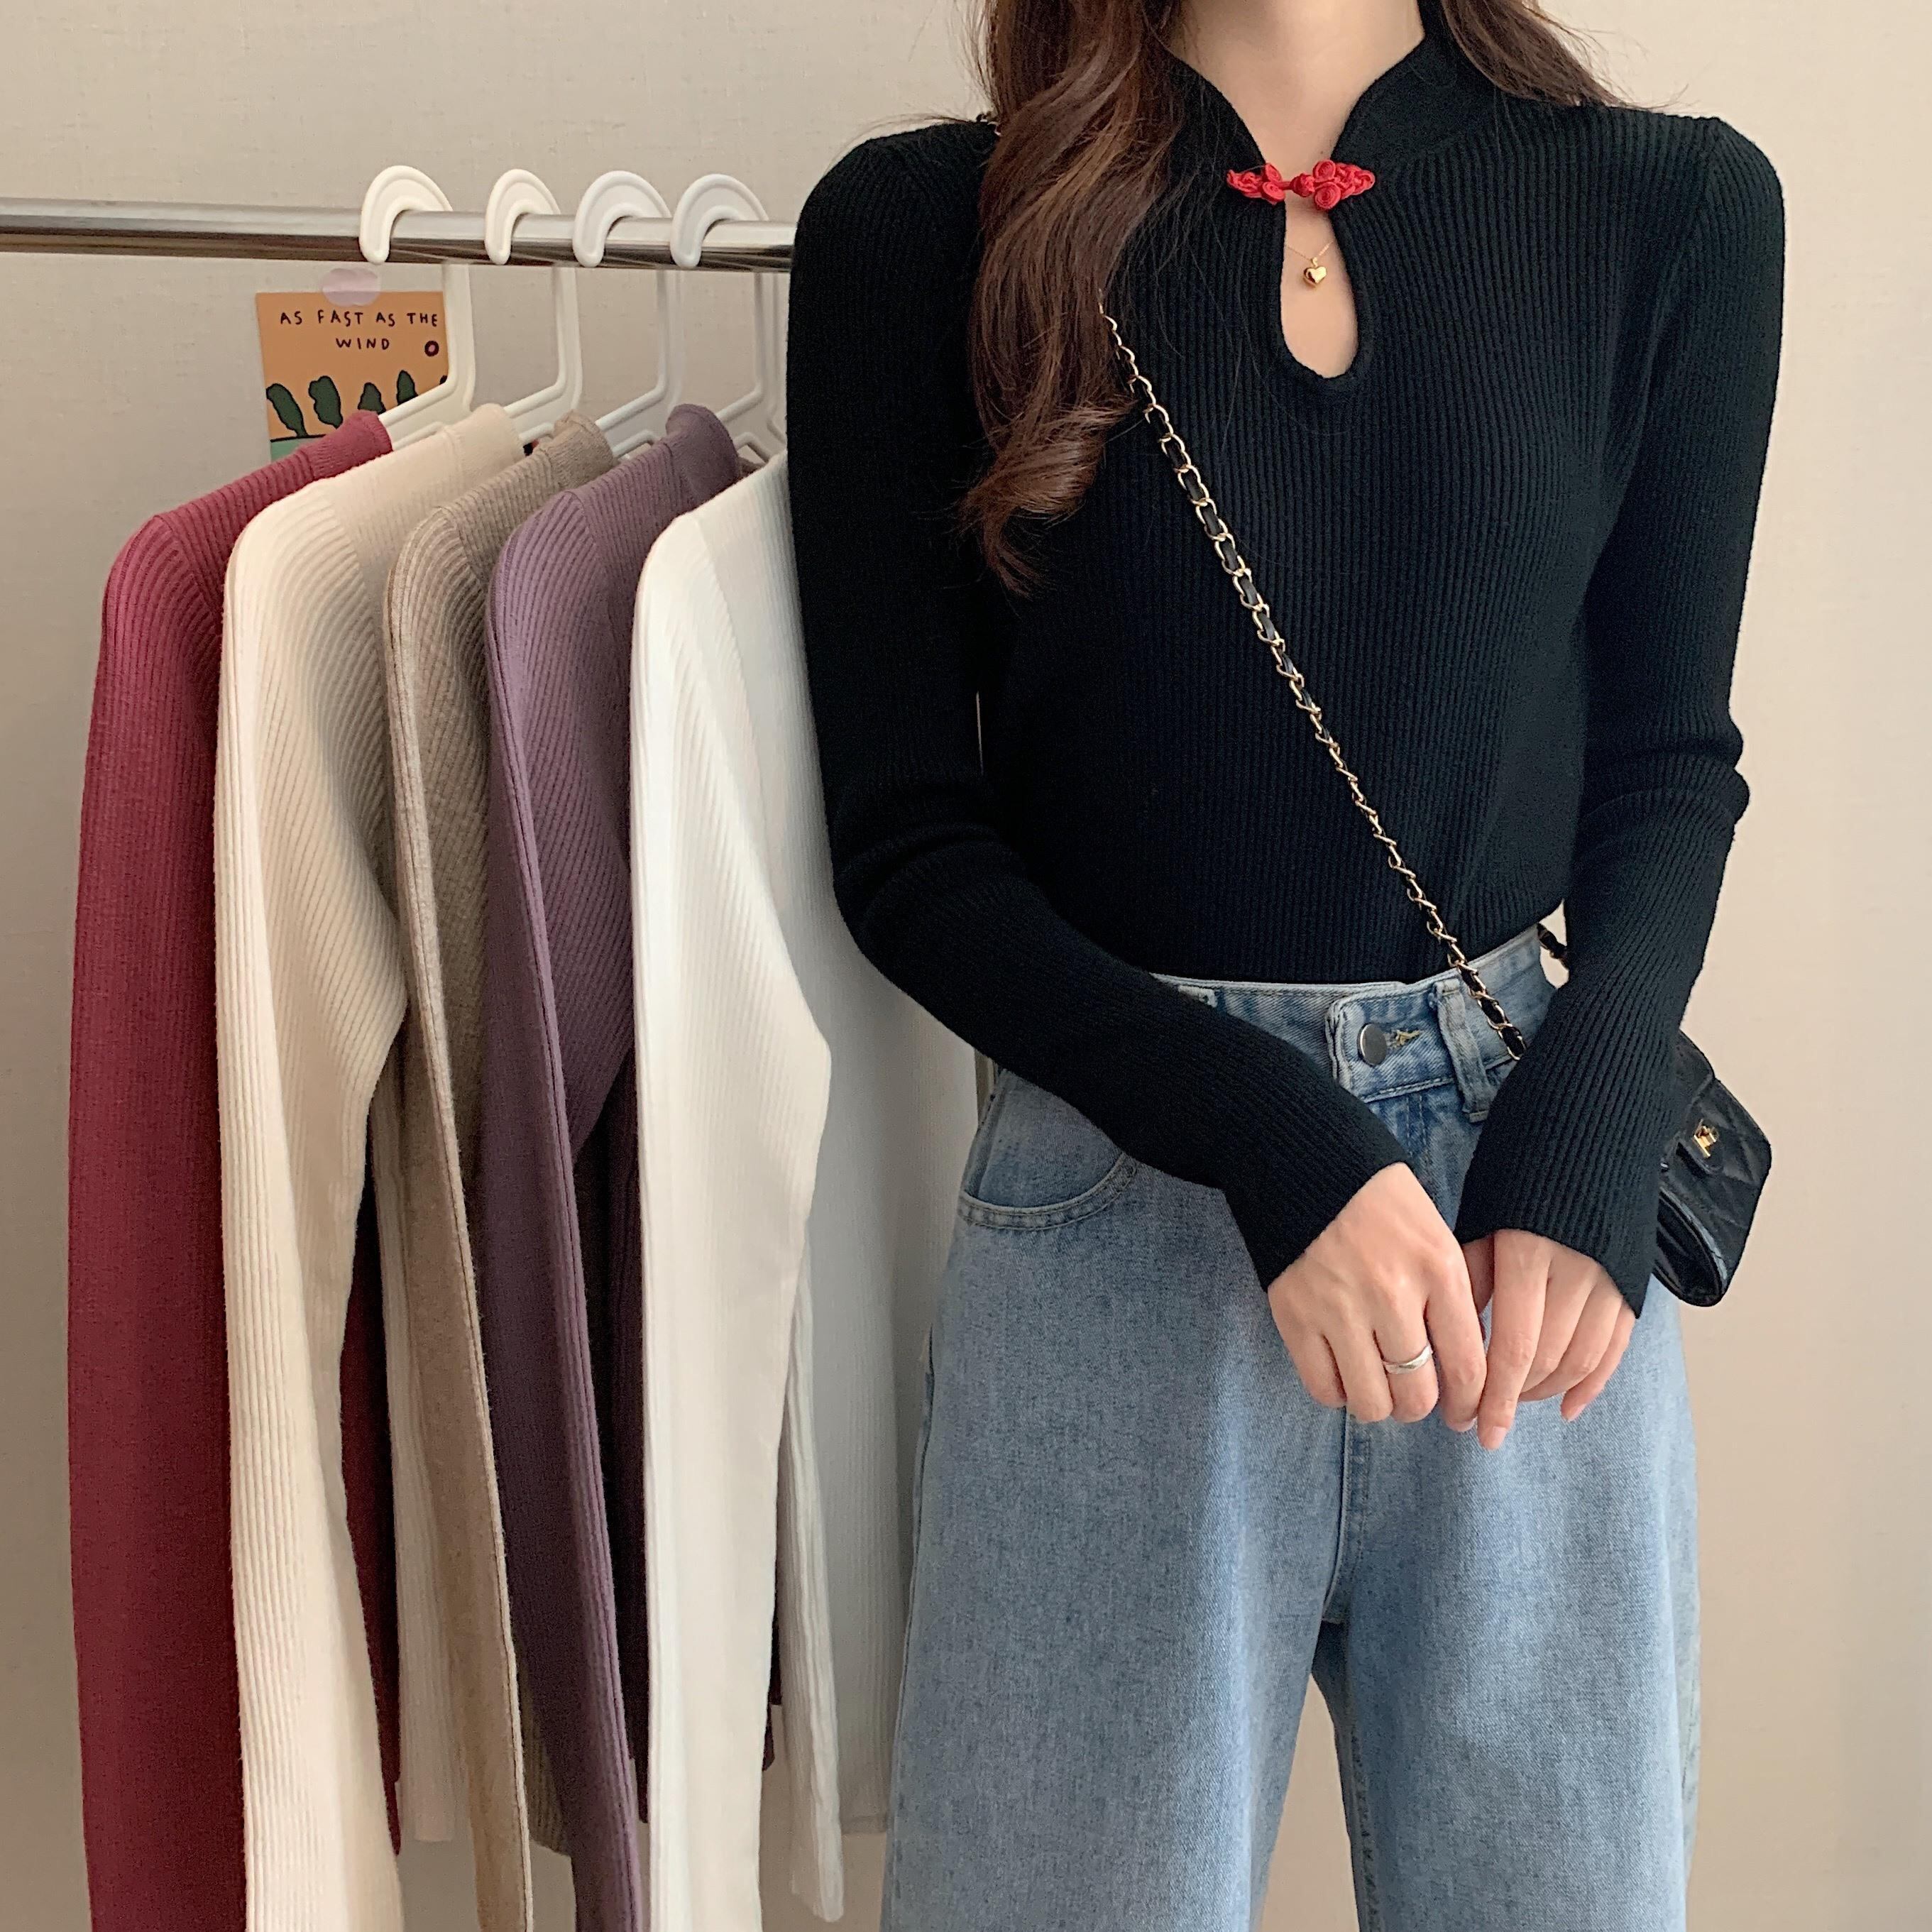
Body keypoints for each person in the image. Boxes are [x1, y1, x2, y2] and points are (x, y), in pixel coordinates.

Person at [782, 0, 1783, 1924]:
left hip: (1527, 1224)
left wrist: (1587, 1123)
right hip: (1119, 1195)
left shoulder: (1666, 210)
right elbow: (908, 844)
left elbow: (1669, 761)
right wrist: (1267, 1135)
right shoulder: (927, 232)